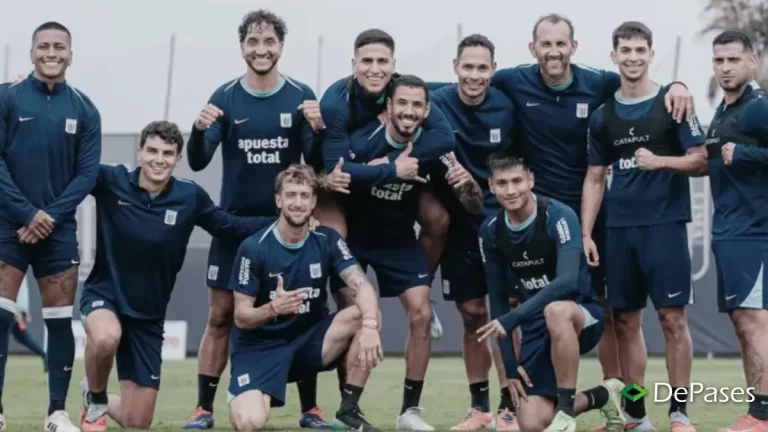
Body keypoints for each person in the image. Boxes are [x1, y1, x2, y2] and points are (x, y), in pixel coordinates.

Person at [489, 16, 696, 422]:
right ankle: (523, 401)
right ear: (533, 49)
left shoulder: (599, 84)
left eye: (561, 43)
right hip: (543, 221)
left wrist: (678, 85)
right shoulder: (514, 81)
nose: (554, 51)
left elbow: (646, 91)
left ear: (575, 47)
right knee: (607, 319)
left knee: (629, 317)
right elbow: (466, 86)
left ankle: (657, 411)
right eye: (545, 44)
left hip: (605, 223)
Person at [76, 120, 277, 431]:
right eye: (152, 151)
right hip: (105, 295)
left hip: (149, 315)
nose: (159, 159)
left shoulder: (189, 196)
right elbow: (66, 165)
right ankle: (97, 400)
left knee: (137, 421)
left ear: (178, 158)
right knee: (105, 337)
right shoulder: (111, 180)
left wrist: (284, 223)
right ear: (139, 151)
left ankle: (91, 393)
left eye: (168, 153)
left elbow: (227, 226)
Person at [182, 10, 331, 429]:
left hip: (285, 228)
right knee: (219, 316)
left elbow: (315, 165)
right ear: (242, 46)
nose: (261, 49)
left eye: (269, 42)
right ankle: (203, 408)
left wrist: (318, 130)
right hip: (235, 227)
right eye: (253, 42)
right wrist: (197, 129)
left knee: (301, 314)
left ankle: (311, 409)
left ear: (281, 47)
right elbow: (197, 160)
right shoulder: (225, 96)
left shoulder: (300, 95)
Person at [580, 22, 706, 432]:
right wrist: (585, 233)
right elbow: (595, 177)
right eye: (625, 50)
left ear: (651, 54)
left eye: (640, 50)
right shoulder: (603, 116)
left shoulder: (674, 102)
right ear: (613, 56)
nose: (633, 57)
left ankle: (679, 411)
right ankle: (636, 412)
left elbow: (701, 160)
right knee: (624, 324)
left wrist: (660, 162)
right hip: (619, 231)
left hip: (665, 226)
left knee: (672, 321)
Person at [336, 74, 480, 431]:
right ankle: (348, 408)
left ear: (427, 111)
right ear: (388, 108)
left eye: (417, 105)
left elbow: (472, 204)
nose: (409, 111)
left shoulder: (434, 148)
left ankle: (409, 412)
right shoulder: (363, 141)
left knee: (421, 314)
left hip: (398, 242)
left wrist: (469, 187)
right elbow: (336, 174)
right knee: (361, 317)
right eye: (402, 103)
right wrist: (379, 171)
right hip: (356, 239)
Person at [318, 28, 452, 344]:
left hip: (392, 176)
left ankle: (422, 290)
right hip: (332, 184)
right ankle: (328, 302)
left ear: (393, 65)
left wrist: (405, 162)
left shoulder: (404, 91)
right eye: (367, 61)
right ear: (353, 63)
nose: (375, 69)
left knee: (439, 218)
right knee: (336, 235)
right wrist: (392, 169)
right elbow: (334, 171)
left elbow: (445, 137)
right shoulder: (336, 103)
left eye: (382, 61)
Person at [227, 164, 383, 432]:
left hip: (307, 346)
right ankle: (243, 395)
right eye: (291, 195)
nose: (297, 203)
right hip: (260, 350)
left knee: (367, 312)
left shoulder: (327, 239)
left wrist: (369, 326)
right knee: (249, 422)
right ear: (278, 200)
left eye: (303, 196)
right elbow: (241, 317)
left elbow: (361, 284)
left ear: (313, 202)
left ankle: (348, 410)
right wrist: (273, 308)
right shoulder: (253, 247)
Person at [0, 21, 101, 432]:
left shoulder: (84, 108)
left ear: (71, 55)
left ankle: (56, 413)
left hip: (57, 231)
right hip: (8, 225)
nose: (52, 52)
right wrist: (27, 213)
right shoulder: (7, 98)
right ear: (32, 53)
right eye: (44, 46)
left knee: (59, 319)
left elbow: (87, 174)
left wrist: (49, 217)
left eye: (60, 46)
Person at [477, 154, 625, 432]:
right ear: (492, 186)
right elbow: (497, 303)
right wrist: (510, 367)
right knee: (531, 423)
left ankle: (566, 412)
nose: (511, 190)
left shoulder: (558, 215)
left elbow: (568, 282)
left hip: (580, 317)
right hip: (536, 330)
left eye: (517, 181)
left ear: (530, 180)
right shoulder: (491, 231)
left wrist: (511, 319)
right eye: (502, 183)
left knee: (555, 309)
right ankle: (603, 395)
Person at [428, 34, 520, 430]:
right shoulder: (438, 101)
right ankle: (479, 408)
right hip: (461, 225)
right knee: (471, 314)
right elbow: (392, 87)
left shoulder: (506, 105)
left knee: (509, 313)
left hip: (501, 224)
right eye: (468, 67)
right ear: (454, 67)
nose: (475, 75)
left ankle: (510, 406)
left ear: (493, 71)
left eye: (483, 68)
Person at [703, 30, 768, 432]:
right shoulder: (724, 110)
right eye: (719, 61)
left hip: (754, 232)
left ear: (752, 61)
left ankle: (762, 416)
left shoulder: (757, 108)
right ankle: (755, 412)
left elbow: (741, 156)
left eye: (733, 59)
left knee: (753, 323)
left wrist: (743, 153)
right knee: (744, 327)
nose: (725, 67)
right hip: (729, 230)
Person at [12, 273, 48, 371]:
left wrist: (17, 312)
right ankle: (45, 356)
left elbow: (13, 288)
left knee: (19, 336)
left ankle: (45, 356)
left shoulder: (11, 264)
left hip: (11, 308)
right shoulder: (20, 266)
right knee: (22, 337)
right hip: (17, 308)